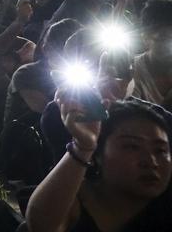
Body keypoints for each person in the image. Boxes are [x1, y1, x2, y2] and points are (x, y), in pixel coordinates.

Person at [25, 99, 172, 231]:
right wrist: (83, 146)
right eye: (132, 147)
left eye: (160, 150)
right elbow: (41, 226)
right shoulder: (72, 200)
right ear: (98, 154)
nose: (151, 162)